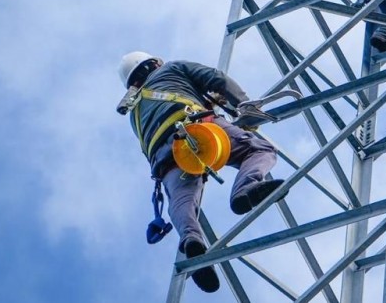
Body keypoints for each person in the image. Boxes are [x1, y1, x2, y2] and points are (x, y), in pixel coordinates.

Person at [117, 51, 287, 293]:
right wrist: (243, 105)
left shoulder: (133, 112)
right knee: (259, 150)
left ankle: (190, 239)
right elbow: (215, 78)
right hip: (196, 128)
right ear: (154, 63)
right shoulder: (172, 69)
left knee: (183, 199)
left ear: (132, 83)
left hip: (168, 157)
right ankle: (245, 189)